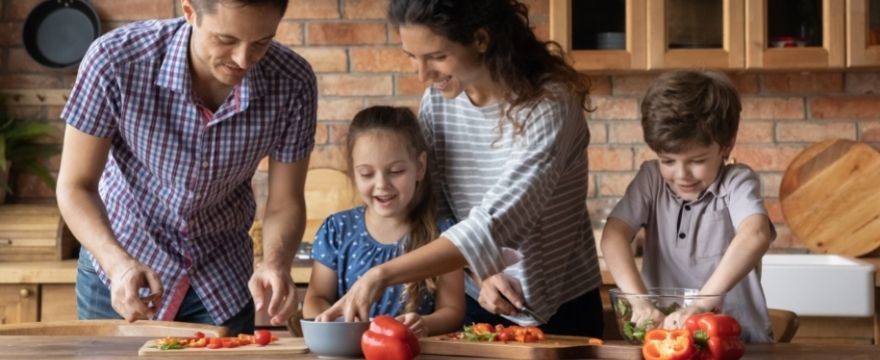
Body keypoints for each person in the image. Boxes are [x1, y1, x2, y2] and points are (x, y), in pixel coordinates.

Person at [319, 0, 604, 338]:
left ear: (481, 40)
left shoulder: (548, 104)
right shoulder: (438, 103)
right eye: (412, 57)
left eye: (437, 57)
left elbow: (497, 222)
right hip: (479, 301)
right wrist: (482, 275)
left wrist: (380, 274)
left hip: (562, 305)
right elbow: (439, 208)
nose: (423, 75)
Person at [56, 0, 316, 335]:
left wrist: (276, 263)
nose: (243, 60)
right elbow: (75, 185)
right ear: (189, 11)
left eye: (261, 43)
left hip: (221, 279)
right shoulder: (116, 59)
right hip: (121, 266)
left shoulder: (293, 82)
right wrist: (117, 264)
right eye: (225, 40)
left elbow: (286, 201)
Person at [601, 70, 775, 343]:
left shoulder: (736, 182)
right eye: (668, 160)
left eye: (697, 160)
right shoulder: (651, 179)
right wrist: (640, 302)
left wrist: (702, 304)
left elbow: (755, 234)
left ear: (726, 146)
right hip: (667, 341)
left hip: (738, 341)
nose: (681, 175)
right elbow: (614, 235)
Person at [302, 106, 464, 337]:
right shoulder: (337, 229)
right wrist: (339, 322)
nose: (382, 185)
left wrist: (425, 323)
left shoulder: (444, 233)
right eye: (367, 174)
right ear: (354, 173)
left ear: (419, 167)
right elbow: (316, 298)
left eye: (396, 171)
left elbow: (453, 310)